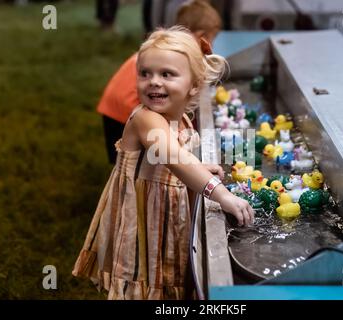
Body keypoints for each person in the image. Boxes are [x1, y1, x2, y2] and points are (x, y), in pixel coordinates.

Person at [72, 26, 254, 300]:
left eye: (166, 74)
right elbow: (174, 158)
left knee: (170, 279)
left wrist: (199, 167)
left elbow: (170, 161)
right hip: (143, 225)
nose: (153, 82)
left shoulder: (175, 117)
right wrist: (221, 194)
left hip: (165, 218)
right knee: (147, 281)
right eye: (145, 74)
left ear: (193, 84)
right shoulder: (146, 119)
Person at [97, 0, 222, 164]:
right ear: (201, 36)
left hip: (117, 102)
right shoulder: (177, 55)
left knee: (140, 160)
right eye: (212, 39)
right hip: (122, 109)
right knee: (131, 161)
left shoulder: (169, 47)